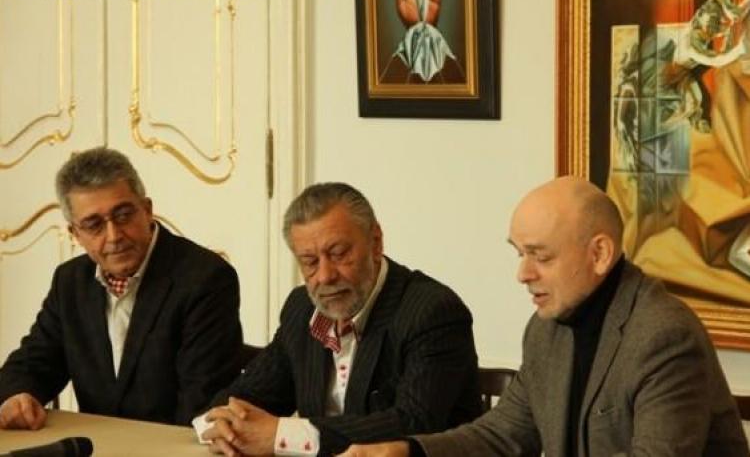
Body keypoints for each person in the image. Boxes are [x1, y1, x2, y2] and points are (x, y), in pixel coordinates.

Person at [340, 176, 749, 457]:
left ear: (600, 254)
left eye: (541, 256)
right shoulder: (546, 327)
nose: (522, 273)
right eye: (520, 253)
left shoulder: (663, 336)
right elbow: (503, 434)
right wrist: (408, 450)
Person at [196, 182, 481, 456]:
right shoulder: (302, 308)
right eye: (309, 262)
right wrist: (224, 426)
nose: (325, 276)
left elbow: (414, 423)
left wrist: (283, 435)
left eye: (339, 254)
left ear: (376, 242)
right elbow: (245, 397)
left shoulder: (431, 312)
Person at [0, 147, 243, 429]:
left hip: (171, 445)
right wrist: (19, 395)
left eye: (124, 215)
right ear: (75, 233)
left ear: (147, 210)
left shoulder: (205, 278)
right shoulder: (70, 281)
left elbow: (202, 403)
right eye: (94, 225)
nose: (114, 236)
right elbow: (32, 363)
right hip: (96, 443)